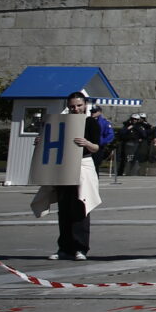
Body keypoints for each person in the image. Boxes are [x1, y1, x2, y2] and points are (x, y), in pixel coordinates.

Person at [35, 91, 105, 259]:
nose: (76, 109)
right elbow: (53, 143)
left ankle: (80, 247)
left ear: (85, 105)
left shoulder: (90, 123)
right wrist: (41, 141)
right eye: (72, 106)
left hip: (82, 165)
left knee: (81, 206)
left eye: (79, 105)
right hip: (63, 167)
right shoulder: (61, 122)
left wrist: (87, 143)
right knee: (64, 207)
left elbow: (97, 148)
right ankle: (64, 247)